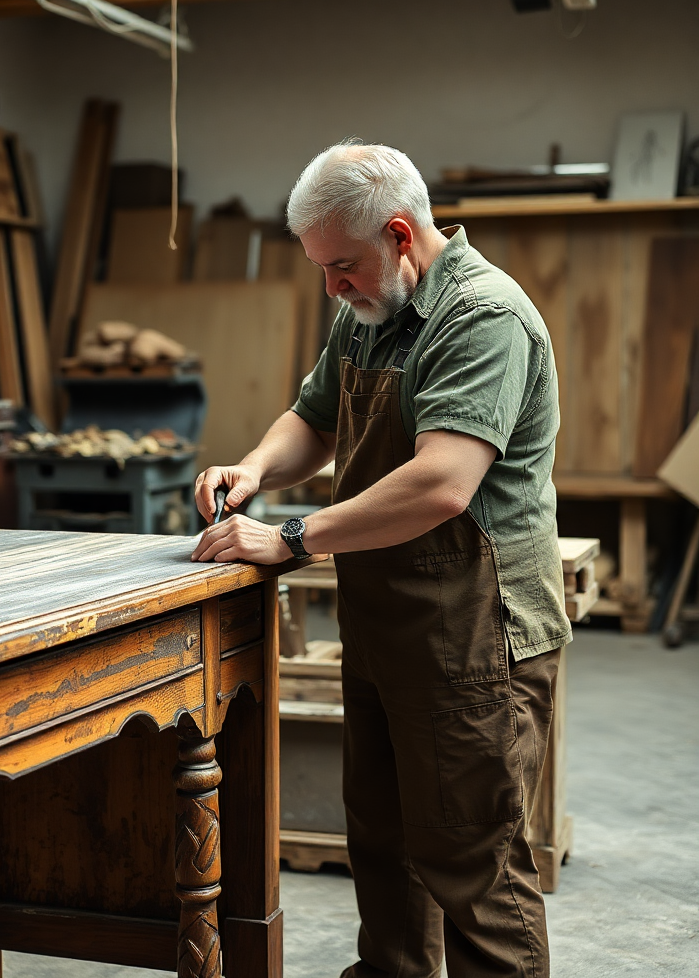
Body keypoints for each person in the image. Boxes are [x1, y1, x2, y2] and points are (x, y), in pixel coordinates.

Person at [191, 141, 570, 978]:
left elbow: (442, 482)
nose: (333, 286)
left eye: (343, 266)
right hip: (389, 624)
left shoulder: (482, 318)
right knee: (386, 856)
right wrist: (255, 467)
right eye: (323, 269)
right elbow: (314, 418)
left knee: (473, 867)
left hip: (473, 641)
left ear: (401, 234)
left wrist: (288, 539)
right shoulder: (370, 307)